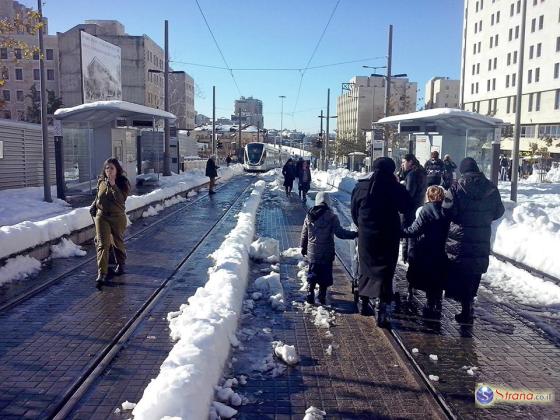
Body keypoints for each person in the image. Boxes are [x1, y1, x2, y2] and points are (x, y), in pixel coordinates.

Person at [351, 157, 413, 327]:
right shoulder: (395, 187)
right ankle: (383, 307)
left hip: (367, 235)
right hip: (389, 235)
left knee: (365, 268)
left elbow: (354, 211)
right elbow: (408, 206)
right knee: (386, 271)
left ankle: (364, 303)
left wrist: (362, 225)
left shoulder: (361, 186)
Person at [443, 157, 505, 324]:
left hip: (460, 236)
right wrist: (484, 218)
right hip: (481, 236)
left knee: (461, 270)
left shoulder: (456, 187)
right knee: (475, 270)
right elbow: (499, 211)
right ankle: (469, 304)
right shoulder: (491, 187)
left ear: (463, 170)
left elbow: (447, 210)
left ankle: (464, 306)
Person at [301, 192, 358, 305]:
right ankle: (322, 295)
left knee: (312, 272)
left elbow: (304, 233)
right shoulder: (332, 217)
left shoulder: (309, 215)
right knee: (325, 275)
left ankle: (310, 293)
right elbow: (340, 233)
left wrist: (303, 246)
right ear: (328, 202)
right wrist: (354, 234)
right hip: (327, 252)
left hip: (313, 252)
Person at [401, 186, 450, 318]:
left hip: (426, 248)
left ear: (429, 196)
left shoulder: (426, 210)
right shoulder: (447, 210)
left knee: (427, 275)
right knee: (438, 276)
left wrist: (400, 232)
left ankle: (429, 303)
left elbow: (414, 230)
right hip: (442, 249)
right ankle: (437, 300)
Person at [89, 158, 131, 288]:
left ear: (117, 169)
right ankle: (102, 273)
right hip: (102, 217)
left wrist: (113, 185)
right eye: (107, 168)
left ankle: (121, 264)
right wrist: (94, 205)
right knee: (103, 244)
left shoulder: (122, 182)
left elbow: (121, 200)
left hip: (117, 217)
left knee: (118, 242)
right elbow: (98, 197)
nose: (109, 171)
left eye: (112, 168)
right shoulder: (101, 181)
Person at [400, 154, 427, 272]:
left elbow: (409, 194)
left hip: (409, 209)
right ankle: (411, 258)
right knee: (414, 234)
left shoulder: (412, 175)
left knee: (407, 234)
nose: (402, 164)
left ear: (410, 162)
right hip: (418, 206)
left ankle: (407, 258)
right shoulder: (421, 172)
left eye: (404, 162)